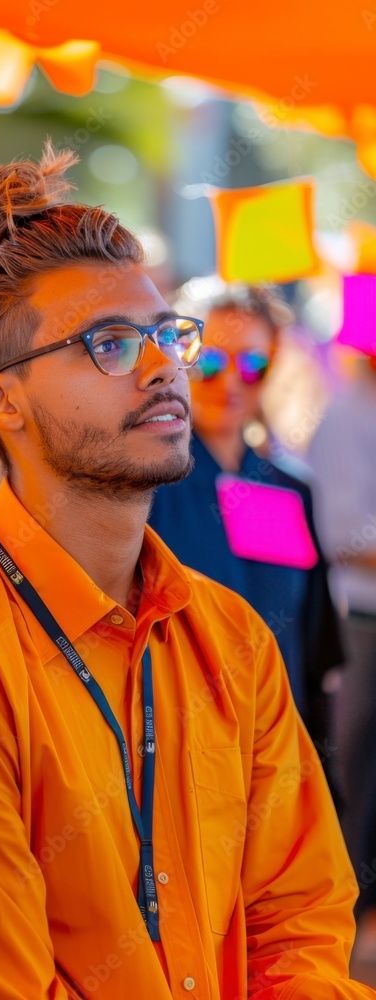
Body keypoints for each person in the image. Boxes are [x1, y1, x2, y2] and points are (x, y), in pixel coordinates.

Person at [0, 145, 373, 1000]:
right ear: (0, 400)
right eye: (109, 343)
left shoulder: (233, 638)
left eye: (166, 335)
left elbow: (301, 922)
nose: (164, 366)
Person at [148, 285, 344, 758]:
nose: (232, 381)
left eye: (253, 364)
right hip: (183, 751)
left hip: (277, 752)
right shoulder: (146, 486)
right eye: (211, 362)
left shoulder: (289, 490)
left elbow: (313, 646)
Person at [306, 348, 376, 956]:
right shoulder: (345, 414)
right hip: (360, 619)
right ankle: (345, 918)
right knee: (352, 768)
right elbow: (344, 533)